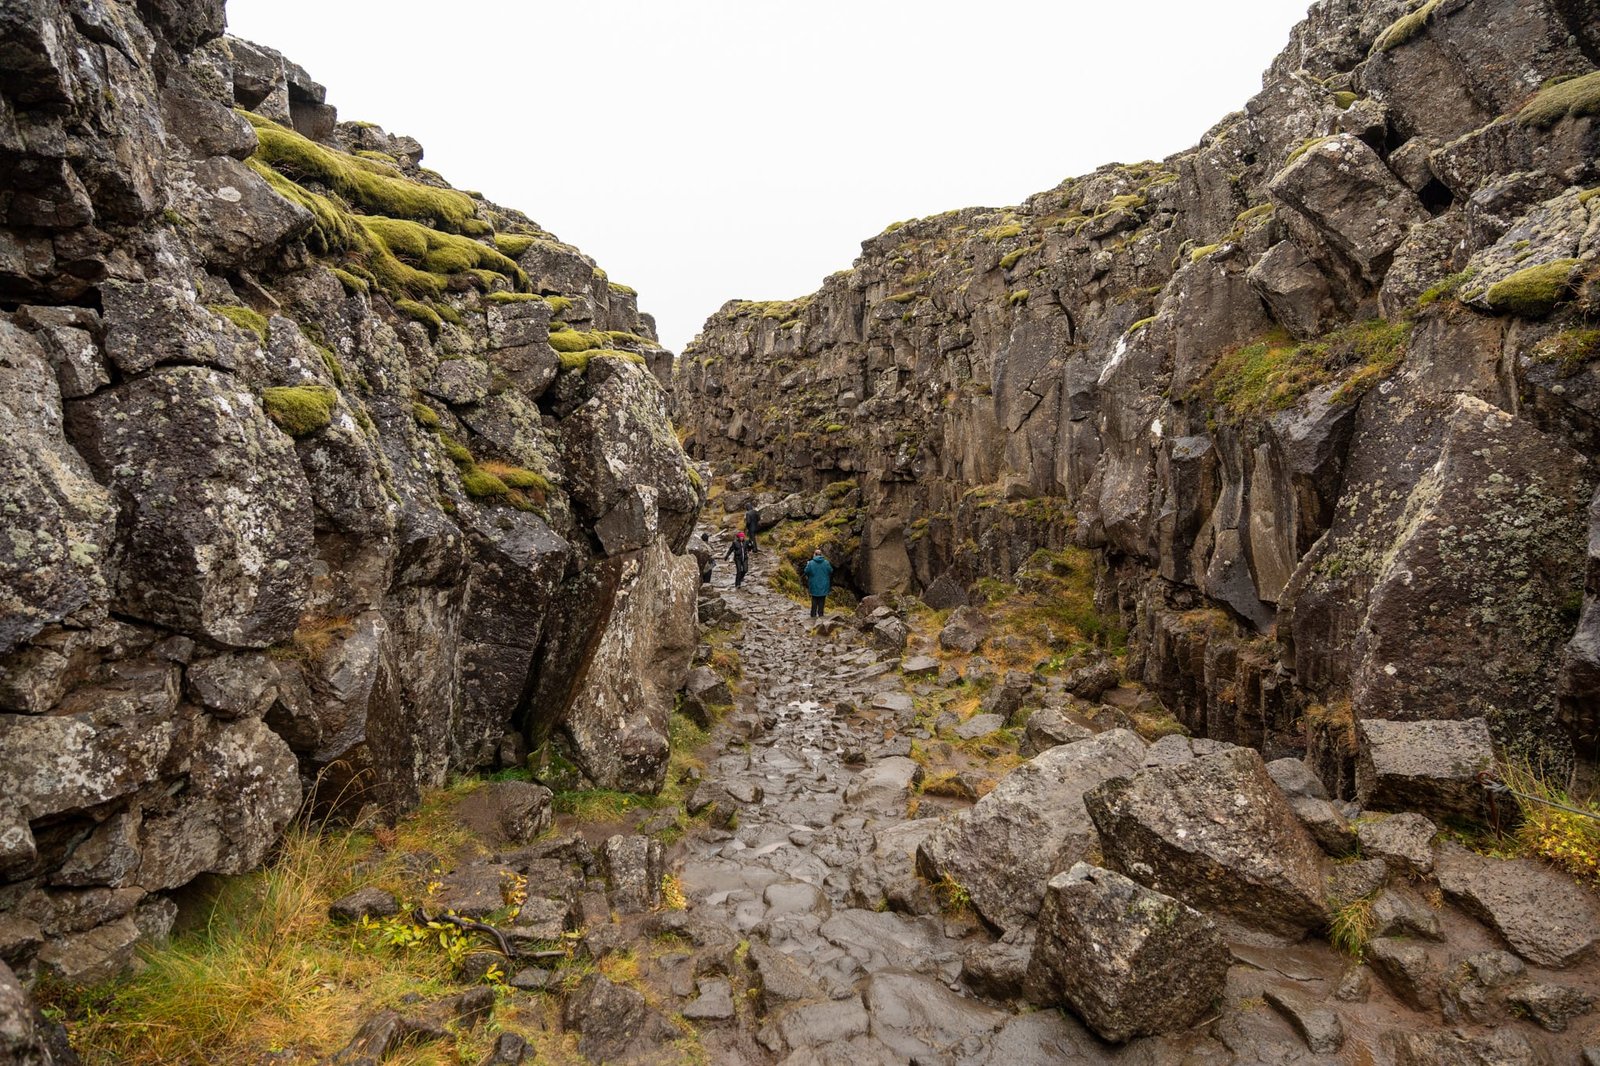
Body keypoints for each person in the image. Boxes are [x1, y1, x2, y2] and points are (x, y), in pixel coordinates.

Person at [802, 548, 833, 619]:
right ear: (821, 555)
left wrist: (807, 565)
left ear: (814, 554)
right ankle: (821, 615)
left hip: (814, 584)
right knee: (822, 599)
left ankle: (813, 615)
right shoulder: (826, 562)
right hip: (824, 584)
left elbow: (806, 571)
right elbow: (831, 571)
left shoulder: (810, 563)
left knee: (814, 599)